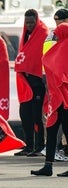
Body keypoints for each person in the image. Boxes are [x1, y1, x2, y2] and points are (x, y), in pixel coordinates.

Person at [30, 24, 68, 176]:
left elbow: (59, 70)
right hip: (57, 99)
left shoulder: (64, 48)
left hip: (63, 100)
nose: (55, 35)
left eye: (58, 33)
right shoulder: (60, 47)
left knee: (60, 132)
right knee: (52, 133)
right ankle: (48, 166)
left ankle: (48, 166)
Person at [13, 9, 49, 156]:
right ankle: (28, 145)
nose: (29, 25)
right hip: (26, 84)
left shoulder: (43, 34)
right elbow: (25, 55)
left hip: (38, 83)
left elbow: (41, 57)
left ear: (37, 20)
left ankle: (40, 146)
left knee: (37, 117)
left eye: (31, 22)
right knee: (25, 115)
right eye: (26, 22)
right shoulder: (25, 35)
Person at [41, 8, 68, 161]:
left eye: (60, 19)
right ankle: (48, 165)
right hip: (57, 93)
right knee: (53, 129)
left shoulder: (59, 42)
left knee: (60, 129)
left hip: (61, 95)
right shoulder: (55, 39)